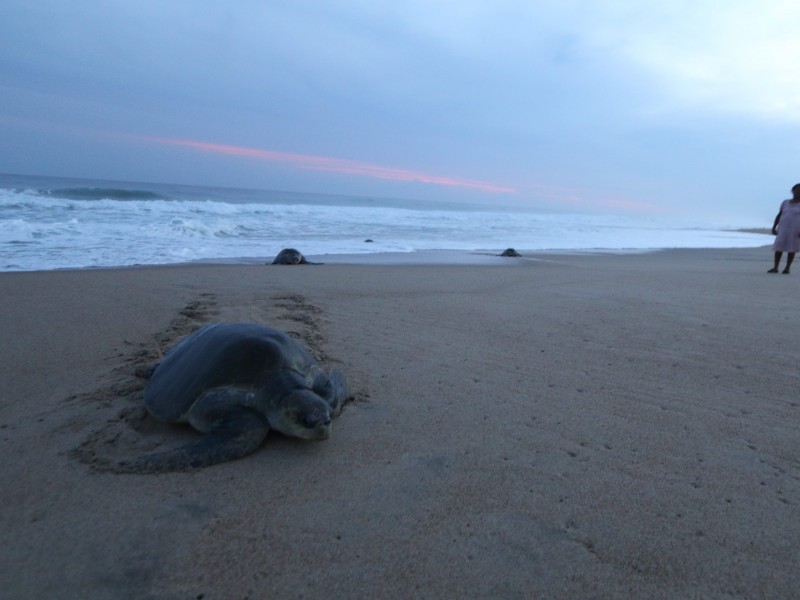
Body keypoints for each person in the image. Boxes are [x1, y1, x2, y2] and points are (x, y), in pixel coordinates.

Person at [769, 183, 800, 274]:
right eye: (796, 189)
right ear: (792, 191)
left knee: (792, 248)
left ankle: (787, 268)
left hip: (796, 230)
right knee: (779, 247)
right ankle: (775, 267)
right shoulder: (785, 202)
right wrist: (774, 226)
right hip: (783, 228)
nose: (798, 192)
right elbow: (779, 215)